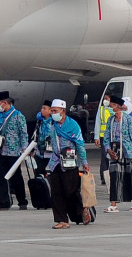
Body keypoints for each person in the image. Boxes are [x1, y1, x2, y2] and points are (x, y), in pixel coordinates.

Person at [48, 99, 91, 229]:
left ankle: (83, 209)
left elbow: (80, 144)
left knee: (71, 191)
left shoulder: (73, 125)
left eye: (55, 111)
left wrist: (84, 162)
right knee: (56, 192)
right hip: (55, 161)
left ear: (63, 111)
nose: (53, 113)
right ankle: (62, 220)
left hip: (69, 160)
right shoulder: (52, 125)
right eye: (52, 111)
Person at [0, 91, 28, 210]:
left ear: (5, 103)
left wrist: (25, 148)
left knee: (16, 177)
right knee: (1, 177)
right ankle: (4, 202)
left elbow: (23, 133)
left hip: (14, 152)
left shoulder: (18, 116)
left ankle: (22, 201)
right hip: (1, 151)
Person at [103, 96, 132, 213]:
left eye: (112, 105)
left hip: (128, 152)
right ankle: (113, 204)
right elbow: (106, 136)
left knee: (131, 176)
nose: (110, 107)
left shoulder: (129, 119)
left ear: (118, 106)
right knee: (114, 176)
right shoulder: (111, 120)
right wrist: (108, 149)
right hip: (115, 151)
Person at [94, 93, 113, 186]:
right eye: (104, 99)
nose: (105, 100)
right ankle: (104, 177)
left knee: (112, 157)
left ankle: (111, 176)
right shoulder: (101, 109)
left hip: (112, 137)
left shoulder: (113, 109)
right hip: (103, 137)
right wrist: (96, 137)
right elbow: (98, 123)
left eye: (107, 99)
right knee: (104, 157)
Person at [33, 100, 53, 176]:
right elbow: (36, 135)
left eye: (44, 108)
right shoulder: (40, 121)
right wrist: (35, 149)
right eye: (42, 108)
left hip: (51, 152)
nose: (42, 110)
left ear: (50, 111)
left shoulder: (54, 122)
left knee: (52, 171)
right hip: (40, 152)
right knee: (38, 171)